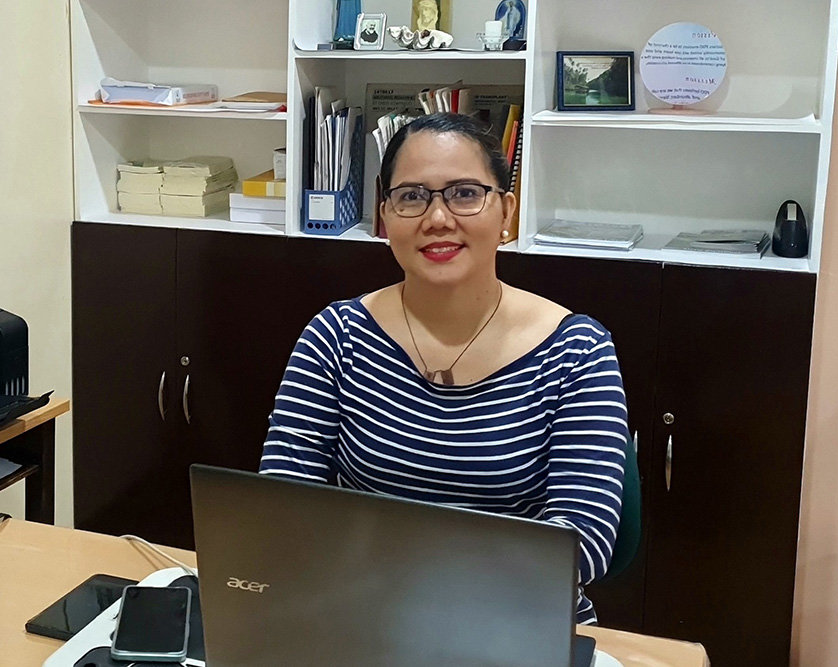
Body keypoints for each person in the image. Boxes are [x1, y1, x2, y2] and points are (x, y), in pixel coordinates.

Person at [259, 113, 628, 624]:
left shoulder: (576, 350)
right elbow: (284, 501)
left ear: (506, 212)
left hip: (520, 621)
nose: (437, 218)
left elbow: (580, 541)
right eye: (412, 196)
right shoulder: (336, 336)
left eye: (464, 193)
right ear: (386, 215)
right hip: (360, 612)